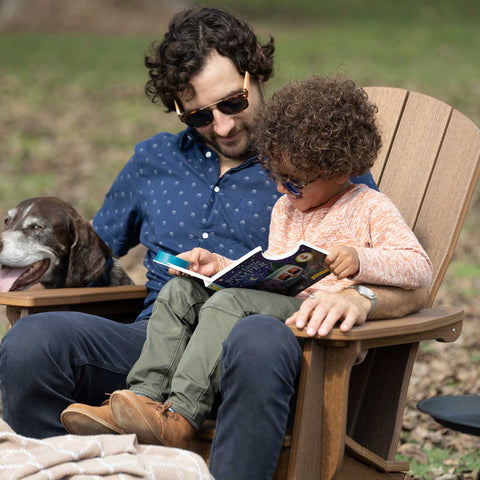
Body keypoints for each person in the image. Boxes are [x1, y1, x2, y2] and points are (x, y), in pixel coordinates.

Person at [0, 7, 427, 478]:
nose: (222, 126)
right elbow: (91, 255)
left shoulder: (307, 162)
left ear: (256, 72)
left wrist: (363, 298)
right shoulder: (153, 161)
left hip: (258, 355)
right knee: (31, 341)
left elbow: (406, 276)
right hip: (156, 343)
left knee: (255, 334)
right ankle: (79, 467)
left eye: (233, 103)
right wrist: (28, 257)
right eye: (200, 114)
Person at [60, 75, 433, 457]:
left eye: (295, 181)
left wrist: (361, 261)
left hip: (314, 326)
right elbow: (273, 267)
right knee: (179, 292)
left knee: (229, 304)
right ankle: (140, 399)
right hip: (278, 304)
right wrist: (221, 267)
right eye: (275, 175)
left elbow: (418, 267)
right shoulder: (288, 207)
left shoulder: (369, 207)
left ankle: (180, 417)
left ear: (339, 170)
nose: (281, 189)